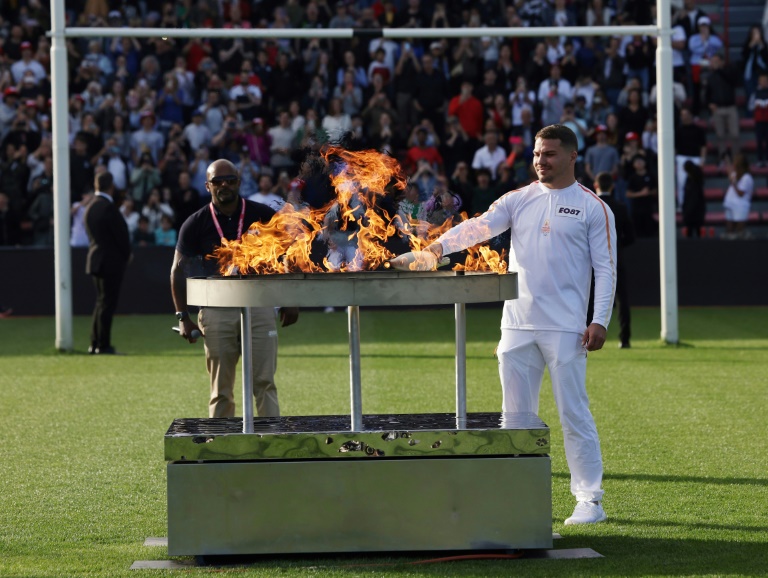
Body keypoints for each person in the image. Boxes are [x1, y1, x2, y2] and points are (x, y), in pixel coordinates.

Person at [390, 125, 617, 526]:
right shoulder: (518, 199)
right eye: (536, 154)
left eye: (548, 154)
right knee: (514, 417)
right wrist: (435, 249)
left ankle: (590, 500)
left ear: (571, 157)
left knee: (573, 413)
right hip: (516, 324)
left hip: (567, 328)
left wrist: (599, 320)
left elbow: (606, 268)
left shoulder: (593, 207)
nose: (540, 161)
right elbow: (478, 226)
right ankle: (515, 496)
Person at [170, 159, 299, 418]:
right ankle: (221, 449)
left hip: (259, 304)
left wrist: (289, 297)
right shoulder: (196, 223)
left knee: (264, 382)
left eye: (230, 179)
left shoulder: (261, 214)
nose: (224, 185)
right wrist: (183, 317)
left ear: (239, 182)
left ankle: (270, 445)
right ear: (207, 186)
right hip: (217, 309)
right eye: (218, 181)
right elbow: (176, 270)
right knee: (221, 389)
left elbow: (289, 254)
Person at [84, 171, 132, 355]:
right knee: (107, 304)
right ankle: (103, 345)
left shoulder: (90, 206)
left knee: (100, 303)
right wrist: (127, 255)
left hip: (95, 260)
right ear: (111, 187)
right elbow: (121, 235)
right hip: (110, 262)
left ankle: (94, 343)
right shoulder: (108, 208)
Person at [590, 172, 635, 348]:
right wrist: (615, 246)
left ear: (595, 185)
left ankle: (584, 336)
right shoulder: (621, 207)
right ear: (613, 186)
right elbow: (631, 237)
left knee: (588, 298)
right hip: (617, 260)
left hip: (593, 262)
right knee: (622, 299)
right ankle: (625, 339)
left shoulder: (592, 205)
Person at [722, 154, 754, 239]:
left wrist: (733, 183)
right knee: (730, 232)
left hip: (741, 206)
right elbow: (730, 173)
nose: (734, 166)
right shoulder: (736, 174)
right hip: (730, 204)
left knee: (739, 233)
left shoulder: (747, 177)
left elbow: (741, 193)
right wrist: (727, 161)